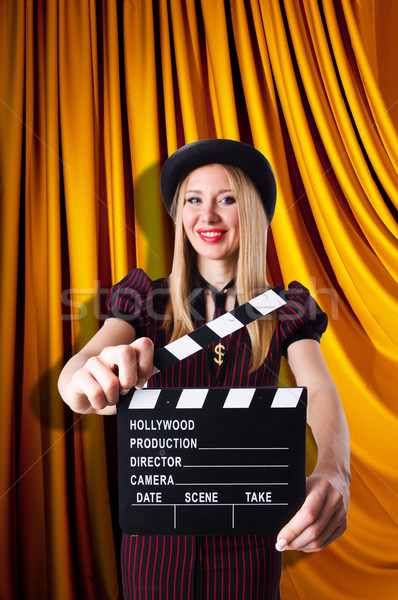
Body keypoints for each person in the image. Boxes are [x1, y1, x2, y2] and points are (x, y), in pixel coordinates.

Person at [58, 139, 351, 599]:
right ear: (179, 215)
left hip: (250, 541)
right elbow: (79, 368)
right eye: (194, 200)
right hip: (156, 544)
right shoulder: (144, 300)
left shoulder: (286, 307)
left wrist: (337, 470)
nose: (208, 217)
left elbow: (319, 388)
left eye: (227, 199)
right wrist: (82, 382)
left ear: (252, 212)